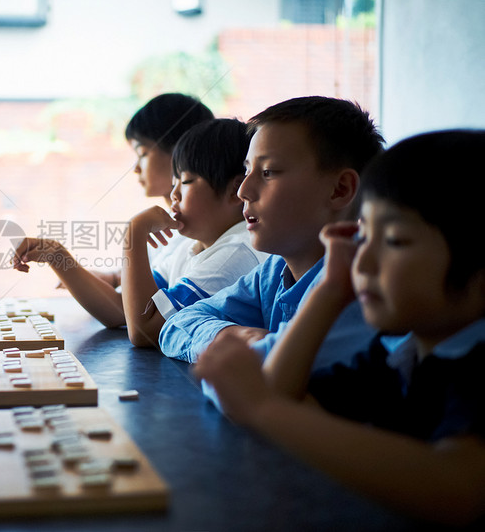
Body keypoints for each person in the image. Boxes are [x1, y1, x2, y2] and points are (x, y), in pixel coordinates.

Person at [194, 130, 485, 526]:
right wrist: (328, 291)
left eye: (396, 240)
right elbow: (283, 391)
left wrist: (265, 409)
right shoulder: (398, 357)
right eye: (363, 237)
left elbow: (459, 489)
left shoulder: (476, 366)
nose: (362, 264)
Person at [158, 96, 385, 368]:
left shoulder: (357, 285)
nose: (243, 191)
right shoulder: (276, 270)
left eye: (268, 172)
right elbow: (177, 325)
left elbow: (264, 377)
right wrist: (235, 335)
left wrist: (235, 353)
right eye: (246, 170)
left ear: (340, 190)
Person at [12, 93, 213, 327]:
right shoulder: (176, 234)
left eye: (143, 153)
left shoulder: (200, 239)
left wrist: (57, 255)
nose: (136, 168)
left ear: (181, 152)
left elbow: (127, 315)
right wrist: (103, 277)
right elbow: (126, 290)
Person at [123, 119, 266, 348]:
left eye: (186, 181)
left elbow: (144, 329)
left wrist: (133, 235)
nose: (174, 195)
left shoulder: (236, 251)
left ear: (234, 191)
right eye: (174, 182)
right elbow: (124, 309)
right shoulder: (189, 247)